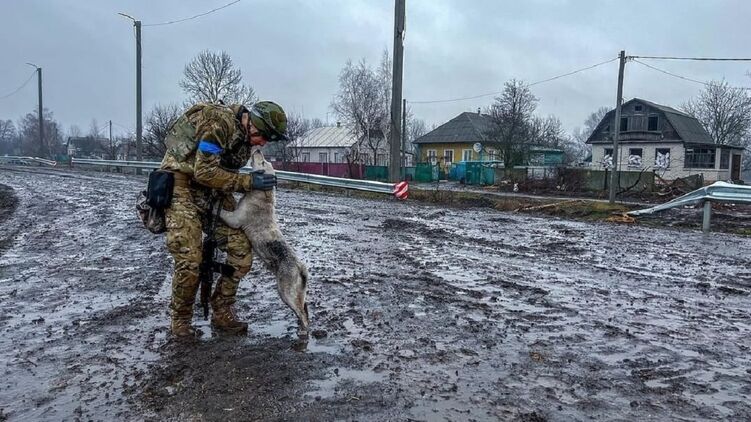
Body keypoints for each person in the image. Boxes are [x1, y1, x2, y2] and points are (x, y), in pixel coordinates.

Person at [159, 101, 288, 337]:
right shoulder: (219, 123)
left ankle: (222, 309)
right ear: (253, 125)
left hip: (212, 193)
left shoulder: (244, 138)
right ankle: (181, 320)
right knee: (190, 259)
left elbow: (218, 175)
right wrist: (248, 182)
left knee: (241, 251)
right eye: (264, 137)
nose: (264, 143)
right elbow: (204, 172)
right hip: (182, 187)